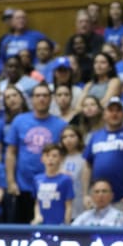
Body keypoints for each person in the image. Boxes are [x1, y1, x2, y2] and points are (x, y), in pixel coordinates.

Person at [5, 84, 67, 224]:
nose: (41, 99)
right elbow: (11, 152)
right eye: (38, 96)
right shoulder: (19, 121)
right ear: (32, 99)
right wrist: (11, 181)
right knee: (21, 231)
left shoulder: (60, 125)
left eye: (45, 96)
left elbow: (64, 156)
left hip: (50, 187)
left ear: (51, 99)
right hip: (22, 186)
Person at [31, 144, 74, 225]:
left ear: (60, 159)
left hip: (59, 224)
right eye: (47, 155)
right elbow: (37, 203)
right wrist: (37, 216)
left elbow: (69, 206)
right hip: (42, 223)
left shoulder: (66, 179)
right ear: (42, 159)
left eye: (54, 156)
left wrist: (66, 224)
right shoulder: (37, 179)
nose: (50, 159)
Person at [60, 126, 87, 218]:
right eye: (65, 137)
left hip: (79, 204)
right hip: (61, 205)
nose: (68, 140)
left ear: (79, 138)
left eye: (72, 136)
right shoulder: (58, 159)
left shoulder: (85, 158)